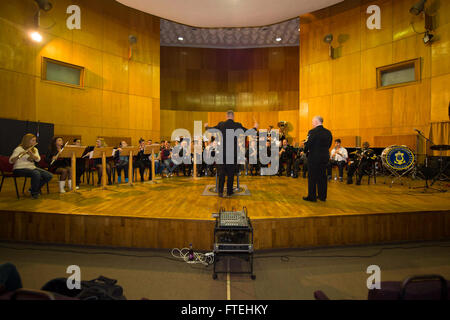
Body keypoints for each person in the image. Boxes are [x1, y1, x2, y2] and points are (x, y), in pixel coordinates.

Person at [205, 110, 258, 197]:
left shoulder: (221, 124)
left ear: (226, 116)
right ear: (233, 116)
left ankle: (220, 192)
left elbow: (211, 130)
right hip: (232, 153)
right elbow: (248, 132)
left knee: (221, 173)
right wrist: (255, 127)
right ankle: (229, 192)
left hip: (221, 153)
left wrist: (206, 127)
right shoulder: (237, 125)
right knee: (230, 174)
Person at [9, 134, 53, 199]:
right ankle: (34, 193)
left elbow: (38, 159)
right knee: (36, 173)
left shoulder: (35, 149)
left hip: (31, 168)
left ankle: (31, 189)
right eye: (33, 140)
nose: (35, 142)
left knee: (49, 175)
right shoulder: (19, 149)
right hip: (19, 169)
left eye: (35, 140)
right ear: (27, 141)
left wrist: (32, 155)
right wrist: (18, 156)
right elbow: (10, 161)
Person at [303, 116, 333, 202]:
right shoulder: (328, 132)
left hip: (314, 157)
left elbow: (308, 144)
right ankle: (322, 196)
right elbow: (329, 144)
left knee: (312, 177)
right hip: (324, 157)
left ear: (316, 122)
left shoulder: (312, 132)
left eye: (312, 122)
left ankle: (312, 196)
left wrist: (305, 150)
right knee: (322, 177)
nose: (312, 124)